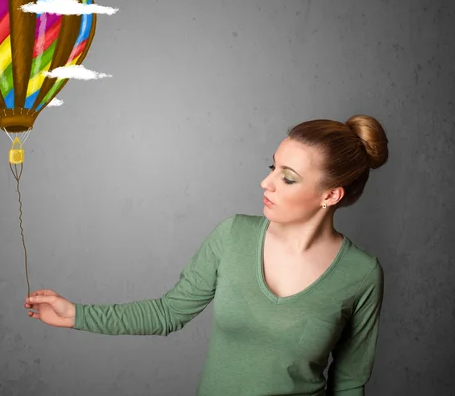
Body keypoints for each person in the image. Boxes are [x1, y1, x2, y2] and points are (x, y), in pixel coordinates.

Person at [24, 114, 388, 395]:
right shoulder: (233, 235)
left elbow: (349, 383)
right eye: (271, 167)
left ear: (330, 196)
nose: (267, 182)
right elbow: (168, 312)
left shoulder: (361, 273)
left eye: (288, 177)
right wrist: (77, 314)